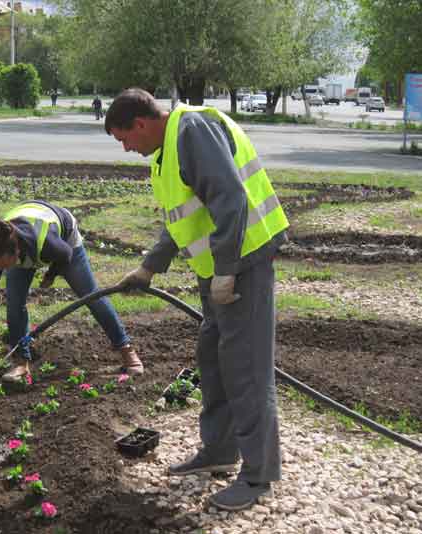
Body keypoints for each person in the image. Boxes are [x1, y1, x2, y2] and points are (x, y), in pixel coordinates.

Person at [106, 88, 289, 511]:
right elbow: (182, 216)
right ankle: (220, 451)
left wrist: (227, 269)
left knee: (246, 368)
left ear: (141, 123)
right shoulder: (168, 151)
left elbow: (230, 198)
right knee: (214, 359)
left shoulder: (192, 131)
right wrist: (150, 267)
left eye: (124, 138)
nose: (127, 148)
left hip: (243, 264)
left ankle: (259, 475)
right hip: (217, 272)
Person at [0, 200, 142, 382]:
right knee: (14, 302)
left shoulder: (49, 244)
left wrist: (51, 275)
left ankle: (128, 352)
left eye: (4, 266)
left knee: (91, 296)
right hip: (25, 240)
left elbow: (65, 255)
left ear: (16, 253)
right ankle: (21, 362)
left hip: (65, 238)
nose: (1, 270)